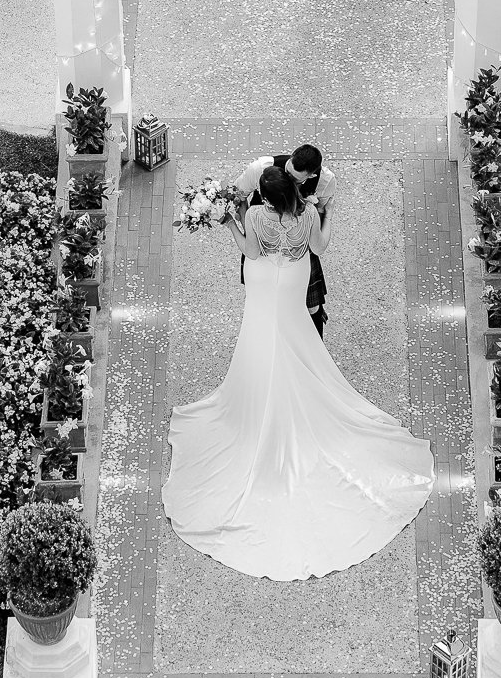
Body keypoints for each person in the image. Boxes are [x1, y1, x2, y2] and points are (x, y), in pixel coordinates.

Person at [161, 165, 434, 580]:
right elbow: (320, 247)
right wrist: (328, 212)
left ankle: (259, 395)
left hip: (262, 278)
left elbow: (250, 253)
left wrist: (229, 223)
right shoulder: (307, 214)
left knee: (261, 332)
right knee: (293, 330)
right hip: (294, 281)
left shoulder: (254, 217)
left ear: (266, 198)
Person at [233, 144, 335, 336]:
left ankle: (313, 342)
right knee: (267, 299)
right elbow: (238, 195)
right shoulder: (261, 169)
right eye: (287, 170)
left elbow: (319, 215)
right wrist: (252, 228)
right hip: (262, 240)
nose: (287, 180)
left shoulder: (325, 181)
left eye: (295, 179)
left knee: (311, 304)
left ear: (311, 176)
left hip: (298, 247)